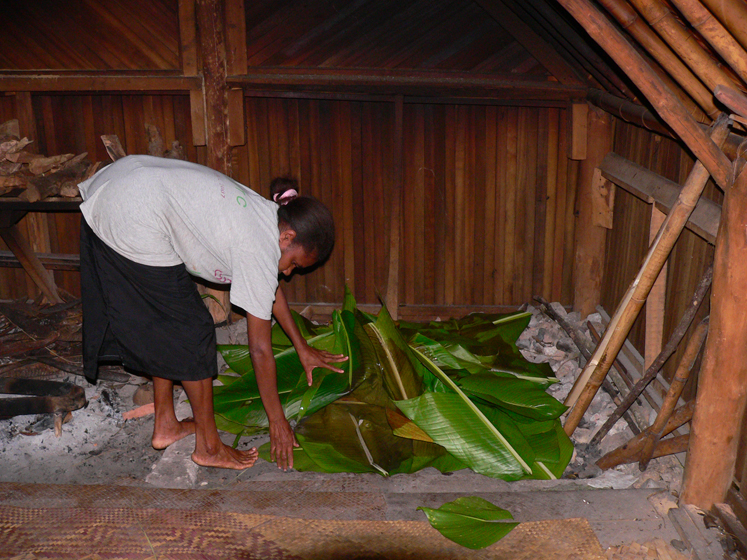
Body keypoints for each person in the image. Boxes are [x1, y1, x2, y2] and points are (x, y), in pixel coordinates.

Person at [78, 155, 346, 471]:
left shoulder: (271, 219)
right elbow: (260, 351)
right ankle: (208, 447)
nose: (289, 273)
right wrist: (277, 422)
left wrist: (302, 348)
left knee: (168, 321)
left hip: (124, 185)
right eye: (296, 264)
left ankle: (166, 424)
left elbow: (268, 290)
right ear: (287, 238)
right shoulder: (260, 246)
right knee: (193, 329)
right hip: (130, 213)